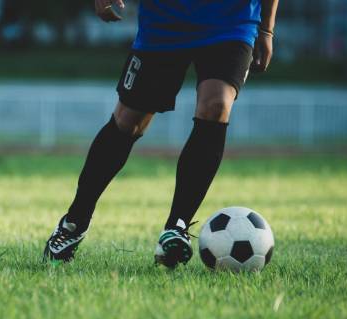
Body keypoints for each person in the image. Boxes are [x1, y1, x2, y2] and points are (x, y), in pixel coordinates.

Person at [44, 0, 279, 267]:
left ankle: (176, 227)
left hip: (232, 20)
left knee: (216, 105)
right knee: (129, 120)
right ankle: (74, 222)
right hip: (165, 19)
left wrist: (267, 30)